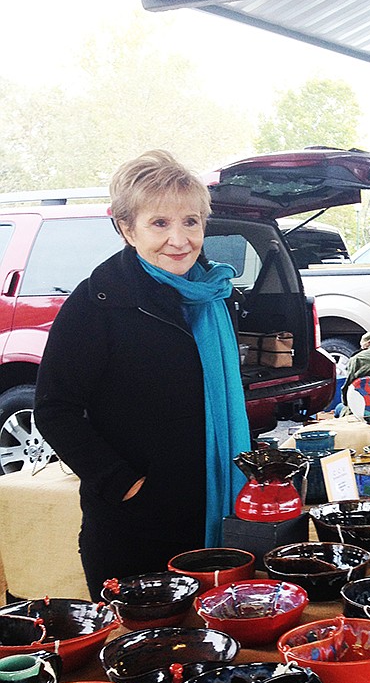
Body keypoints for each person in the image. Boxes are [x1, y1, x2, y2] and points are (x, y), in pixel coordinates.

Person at [35, 150, 251, 598]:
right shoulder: (98, 303)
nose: (180, 238)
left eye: (191, 222)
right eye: (160, 223)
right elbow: (55, 410)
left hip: (212, 515)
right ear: (127, 228)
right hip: (136, 530)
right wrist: (125, 484)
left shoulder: (210, 296)